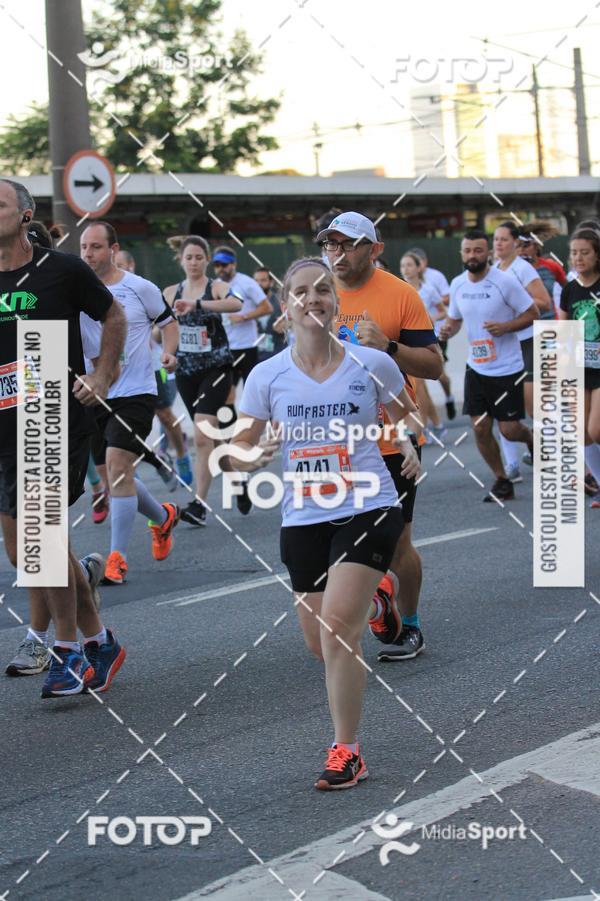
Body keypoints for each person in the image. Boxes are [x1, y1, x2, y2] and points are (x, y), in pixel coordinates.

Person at [231, 257, 420, 789]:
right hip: (305, 515)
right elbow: (237, 451)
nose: (311, 298)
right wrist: (251, 458)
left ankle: (347, 750)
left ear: (336, 303)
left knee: (339, 631)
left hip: (368, 505)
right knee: (320, 644)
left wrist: (407, 444)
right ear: (285, 306)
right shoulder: (267, 375)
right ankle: (377, 599)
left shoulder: (370, 364)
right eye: (299, 292)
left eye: (322, 290)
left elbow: (405, 412)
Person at [0, 178, 128, 697]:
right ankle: (100, 640)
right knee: (27, 552)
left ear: (25, 215)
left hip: (53, 413)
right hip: (5, 424)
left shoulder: (62, 270)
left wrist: (101, 376)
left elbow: (113, 314)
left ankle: (68, 650)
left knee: (39, 540)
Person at [319, 211, 443, 662]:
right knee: (334, 540)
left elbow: (433, 365)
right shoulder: (318, 293)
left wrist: (388, 346)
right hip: (333, 439)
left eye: (348, 244)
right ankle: (372, 602)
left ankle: (409, 625)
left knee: (396, 543)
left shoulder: (400, 295)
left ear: (375, 249)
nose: (338, 253)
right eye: (331, 244)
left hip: (393, 438)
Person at [80, 221, 181, 584]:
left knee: (119, 465)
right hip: (93, 393)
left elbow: (169, 323)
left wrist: (169, 354)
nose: (88, 254)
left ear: (113, 249)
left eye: (95, 247)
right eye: (84, 247)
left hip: (136, 391)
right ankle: (164, 516)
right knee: (114, 477)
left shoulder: (139, 288)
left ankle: (116, 560)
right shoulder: (75, 290)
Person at [439, 230, 538, 501]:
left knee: (509, 429)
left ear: (488, 253)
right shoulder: (458, 284)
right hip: (476, 367)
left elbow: (533, 313)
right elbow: (456, 319)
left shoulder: (504, 283)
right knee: (480, 427)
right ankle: (502, 480)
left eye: (478, 250)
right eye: (468, 250)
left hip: (507, 368)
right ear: (462, 253)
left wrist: (506, 327)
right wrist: (448, 329)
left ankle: (531, 440)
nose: (473, 255)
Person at [163, 236, 243, 526]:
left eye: (199, 257)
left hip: (217, 368)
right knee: (211, 437)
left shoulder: (216, 288)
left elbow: (236, 303)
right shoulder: (171, 293)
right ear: (181, 260)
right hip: (186, 372)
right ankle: (237, 481)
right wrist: (166, 354)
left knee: (201, 434)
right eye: (189, 257)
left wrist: (198, 304)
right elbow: (161, 331)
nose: (194, 262)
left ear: (207, 260)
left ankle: (199, 505)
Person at [211, 245, 272, 515]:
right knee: (227, 401)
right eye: (218, 265)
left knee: (253, 400)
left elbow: (267, 307)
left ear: (234, 264)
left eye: (225, 264)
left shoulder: (246, 283)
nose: (222, 269)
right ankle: (237, 444)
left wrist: (244, 315)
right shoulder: (213, 286)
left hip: (247, 349)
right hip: (224, 351)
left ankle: (258, 438)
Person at [493, 221, 552, 481]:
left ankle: (547, 448)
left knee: (531, 404)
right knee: (502, 407)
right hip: (502, 345)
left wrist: (515, 307)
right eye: (495, 239)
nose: (498, 244)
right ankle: (512, 464)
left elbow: (543, 302)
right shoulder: (492, 270)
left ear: (515, 244)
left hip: (528, 340)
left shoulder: (522, 268)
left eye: (504, 239)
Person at [559, 227, 600, 507]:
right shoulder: (569, 289)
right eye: (574, 253)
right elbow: (562, 329)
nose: (578, 258)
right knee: (581, 431)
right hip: (580, 367)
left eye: (584, 252)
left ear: (597, 255)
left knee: (596, 430)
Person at [400, 251, 454, 433]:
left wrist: (429, 318)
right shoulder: (400, 289)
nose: (405, 269)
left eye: (409, 265)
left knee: (441, 377)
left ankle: (448, 398)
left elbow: (443, 312)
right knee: (419, 385)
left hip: (432, 337)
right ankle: (425, 427)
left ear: (418, 268)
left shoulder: (428, 289)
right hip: (410, 341)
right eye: (402, 266)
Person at [253, 266, 286, 360]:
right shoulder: (248, 303)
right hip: (254, 355)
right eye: (256, 280)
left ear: (271, 282)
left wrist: (286, 325)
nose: (258, 284)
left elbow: (295, 322)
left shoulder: (281, 301)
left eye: (263, 280)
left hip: (277, 353)